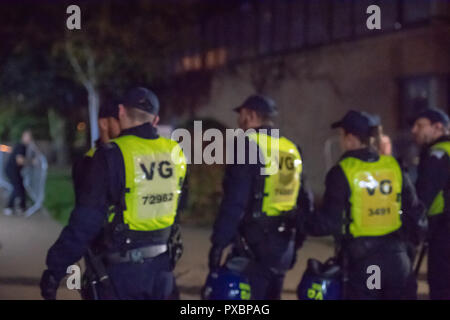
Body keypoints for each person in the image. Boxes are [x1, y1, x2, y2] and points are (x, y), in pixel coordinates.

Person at [40, 87, 187, 300]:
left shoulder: (110, 156)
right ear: (155, 120)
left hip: (120, 274)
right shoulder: (175, 153)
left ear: (121, 112)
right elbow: (180, 204)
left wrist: (55, 268)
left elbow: (85, 222)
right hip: (162, 271)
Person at [309, 110, 426, 300]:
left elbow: (328, 222)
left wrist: (299, 220)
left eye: (342, 135)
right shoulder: (393, 166)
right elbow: (416, 213)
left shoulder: (343, 172)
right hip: (398, 260)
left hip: (369, 265)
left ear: (351, 138)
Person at [207, 94, 313, 300]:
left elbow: (235, 201)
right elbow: (305, 203)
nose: (239, 121)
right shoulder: (291, 149)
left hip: (253, 247)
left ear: (251, 115)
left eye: (242, 115)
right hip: (284, 246)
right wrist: (296, 244)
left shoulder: (247, 145)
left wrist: (219, 243)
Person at [410, 108, 450, 300]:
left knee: (441, 287)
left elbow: (423, 196)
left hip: (443, 232)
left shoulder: (438, 154)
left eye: (420, 125)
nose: (414, 130)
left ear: (438, 127)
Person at [72, 98, 120, 203]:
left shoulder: (126, 154)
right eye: (119, 120)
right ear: (104, 123)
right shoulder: (89, 162)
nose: (125, 125)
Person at [3, 129, 33, 216]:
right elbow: (20, 160)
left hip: (14, 171)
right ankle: (11, 207)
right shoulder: (21, 146)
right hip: (12, 170)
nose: (29, 139)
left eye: (30, 137)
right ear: (23, 137)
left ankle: (21, 206)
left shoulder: (23, 146)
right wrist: (32, 162)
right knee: (18, 188)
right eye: (28, 137)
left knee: (19, 187)